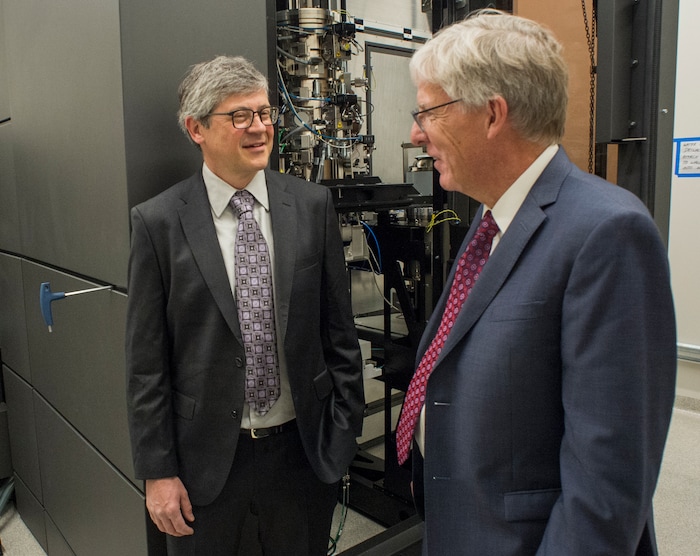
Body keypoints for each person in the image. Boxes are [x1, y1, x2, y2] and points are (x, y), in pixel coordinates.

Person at [394, 10, 677, 555]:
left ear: (492, 114)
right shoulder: (489, 217)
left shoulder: (607, 233)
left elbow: (607, 486)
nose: (415, 132)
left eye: (428, 111)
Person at [125, 55, 365, 556]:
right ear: (197, 128)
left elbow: (338, 332)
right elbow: (146, 366)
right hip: (206, 465)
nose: (259, 128)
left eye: (264, 113)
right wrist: (158, 472)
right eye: (240, 116)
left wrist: (341, 438)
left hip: (302, 454)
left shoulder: (312, 205)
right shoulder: (159, 223)